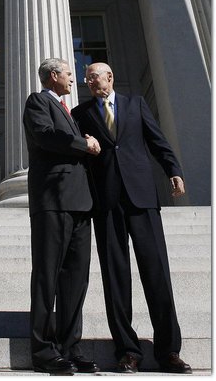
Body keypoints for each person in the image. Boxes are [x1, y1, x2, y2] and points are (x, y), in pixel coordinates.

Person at [72, 62, 192, 374]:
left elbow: (156, 141)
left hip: (142, 199)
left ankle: (169, 352)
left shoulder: (135, 104)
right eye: (86, 79)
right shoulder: (80, 113)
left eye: (93, 76)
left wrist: (173, 171)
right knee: (116, 278)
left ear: (109, 77)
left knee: (157, 275)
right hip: (107, 203)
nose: (89, 82)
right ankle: (128, 351)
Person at [23, 58, 101, 374]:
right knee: (47, 275)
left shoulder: (70, 111)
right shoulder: (39, 101)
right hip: (52, 200)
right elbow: (46, 136)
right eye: (69, 73)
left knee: (75, 280)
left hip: (81, 203)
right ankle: (43, 352)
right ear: (54, 76)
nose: (73, 78)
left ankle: (71, 348)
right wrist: (84, 143)